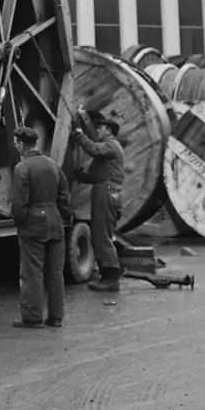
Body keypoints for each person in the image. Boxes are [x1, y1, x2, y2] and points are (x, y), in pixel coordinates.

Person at [11, 125, 72, 329]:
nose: (14, 145)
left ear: (21, 145)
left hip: (33, 225)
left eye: (15, 142)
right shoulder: (54, 165)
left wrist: (20, 222)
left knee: (32, 272)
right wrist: (63, 217)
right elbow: (64, 197)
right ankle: (56, 317)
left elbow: (19, 202)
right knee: (55, 273)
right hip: (55, 223)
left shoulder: (22, 168)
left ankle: (33, 317)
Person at [72, 109, 126, 293]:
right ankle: (107, 275)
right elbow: (96, 175)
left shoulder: (111, 146)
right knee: (100, 233)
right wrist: (83, 176)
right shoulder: (110, 149)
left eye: (101, 128)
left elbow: (92, 149)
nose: (98, 130)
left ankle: (111, 279)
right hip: (105, 189)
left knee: (102, 234)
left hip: (107, 191)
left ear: (109, 130)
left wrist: (79, 134)